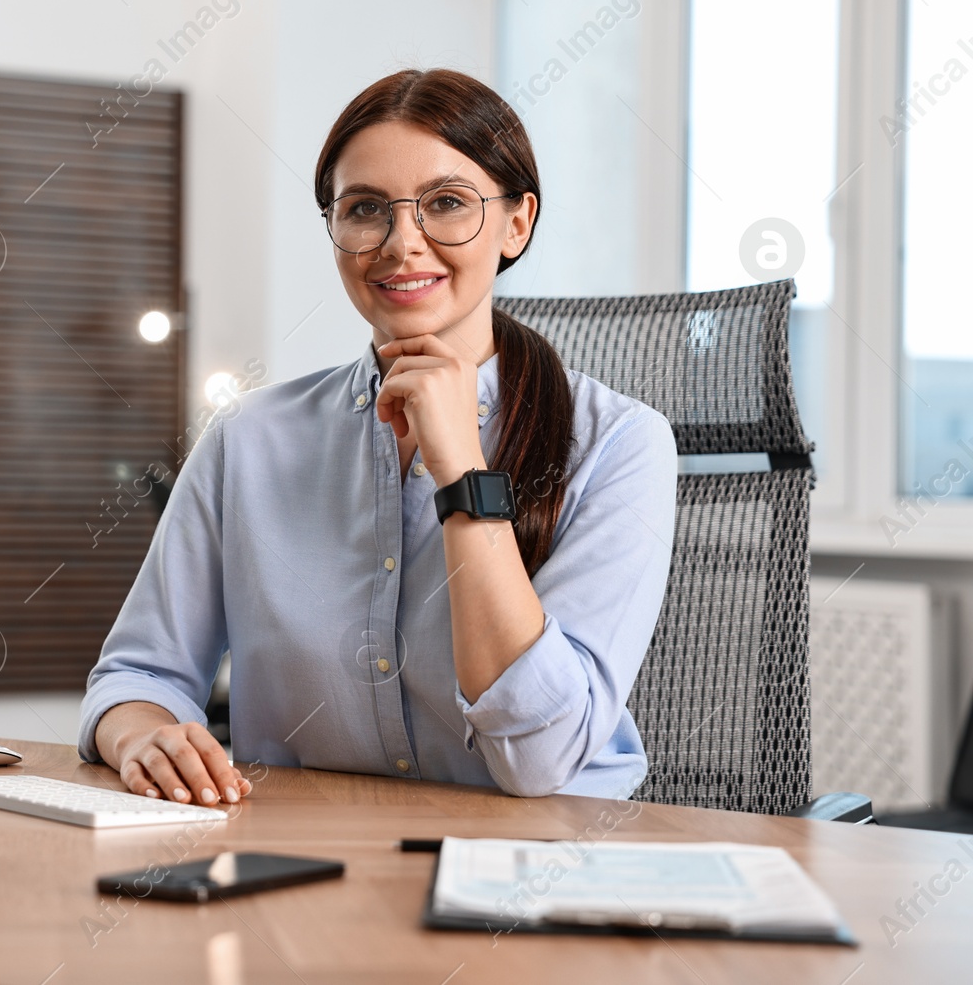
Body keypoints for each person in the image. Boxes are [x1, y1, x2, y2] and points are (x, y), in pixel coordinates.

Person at [78, 68, 677, 807]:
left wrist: (462, 467)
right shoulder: (249, 440)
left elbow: (541, 759)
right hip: (306, 861)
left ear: (517, 222)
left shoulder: (620, 444)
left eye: (447, 204)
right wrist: (140, 733)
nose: (402, 244)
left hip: (536, 874)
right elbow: (140, 673)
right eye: (365, 209)